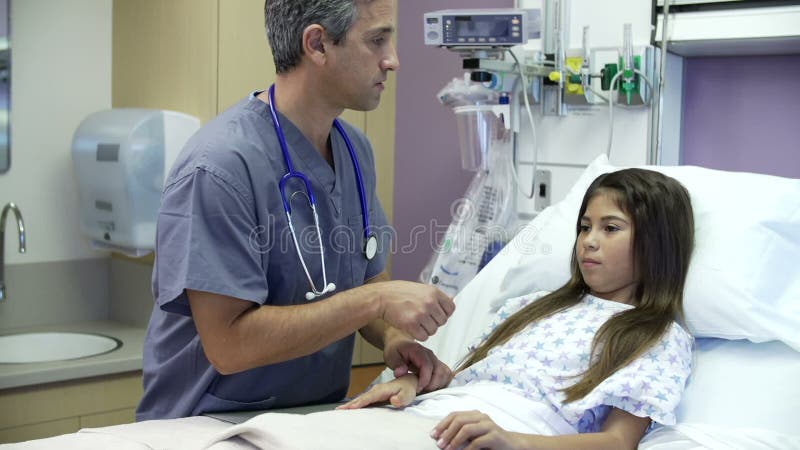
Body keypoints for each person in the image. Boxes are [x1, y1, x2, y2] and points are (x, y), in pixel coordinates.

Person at [136, 0, 455, 421]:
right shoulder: (219, 167)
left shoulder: (354, 151)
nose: (392, 60)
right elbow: (229, 346)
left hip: (308, 422)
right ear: (318, 44)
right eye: (377, 40)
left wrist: (395, 339)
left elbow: (365, 280)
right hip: (204, 425)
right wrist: (377, 300)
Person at [334, 168, 696, 449]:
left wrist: (512, 440)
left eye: (610, 228)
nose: (589, 241)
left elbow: (618, 443)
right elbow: (464, 377)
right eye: (585, 228)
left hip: (508, 435)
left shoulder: (655, 336)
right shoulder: (532, 306)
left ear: (656, 245)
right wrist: (413, 385)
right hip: (435, 417)